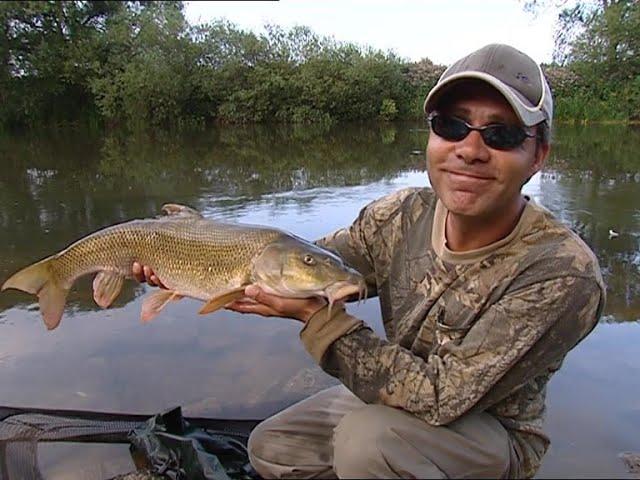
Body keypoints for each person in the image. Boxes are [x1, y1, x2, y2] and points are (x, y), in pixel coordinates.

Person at [133, 44, 605, 479]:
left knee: (366, 446)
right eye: (452, 126)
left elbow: (441, 398)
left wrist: (313, 318)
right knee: (273, 448)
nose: (470, 149)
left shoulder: (561, 272)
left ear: (538, 154)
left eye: (500, 135)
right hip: (398, 395)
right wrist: (188, 255)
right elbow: (314, 261)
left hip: (490, 431)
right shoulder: (402, 214)